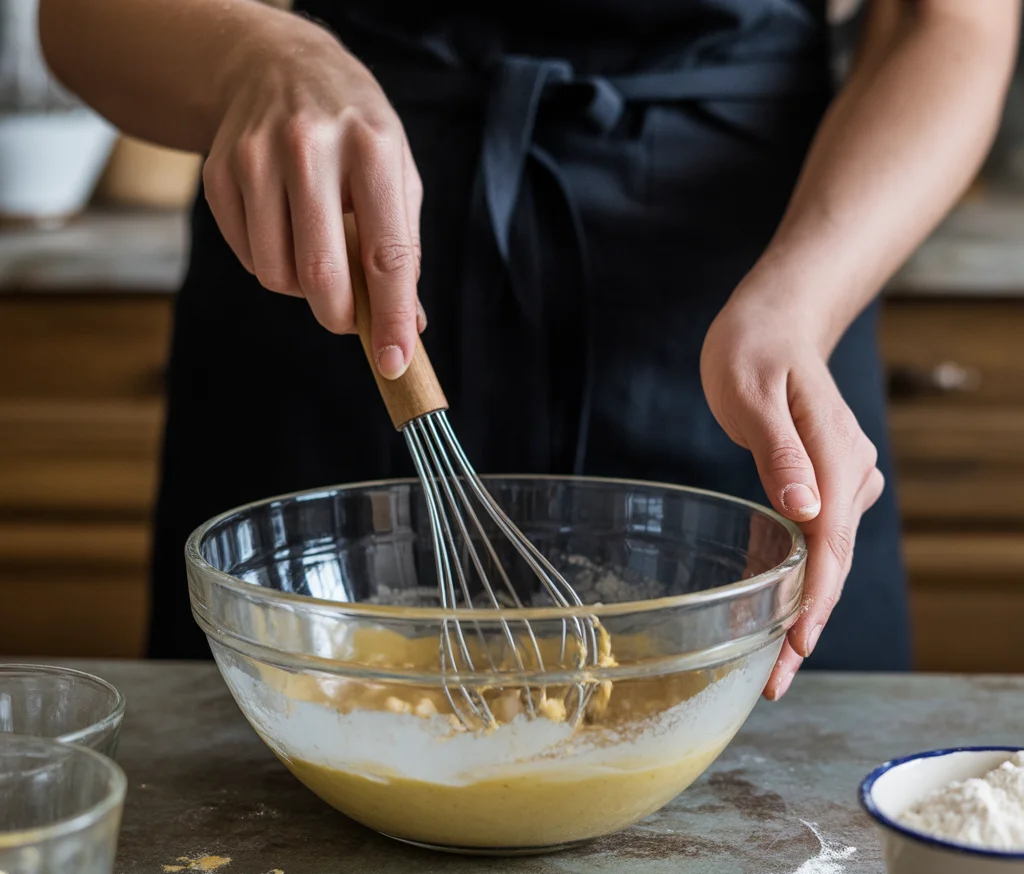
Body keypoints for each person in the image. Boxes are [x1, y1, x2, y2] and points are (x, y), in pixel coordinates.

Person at [41, 0, 1017, 696]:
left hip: (754, 305)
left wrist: (802, 300)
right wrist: (253, 58)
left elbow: (949, 22)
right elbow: (79, 18)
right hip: (334, 254)